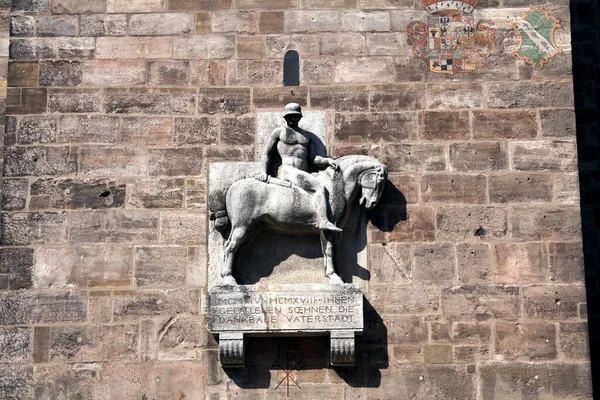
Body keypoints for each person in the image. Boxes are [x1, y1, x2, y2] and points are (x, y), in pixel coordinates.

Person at [256, 103, 342, 232]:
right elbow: (267, 154)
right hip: (288, 171)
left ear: (300, 117)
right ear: (285, 117)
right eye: (290, 116)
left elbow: (313, 158)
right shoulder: (279, 132)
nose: (292, 119)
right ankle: (323, 221)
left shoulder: (306, 136)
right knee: (318, 186)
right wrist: (263, 172)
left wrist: (327, 161)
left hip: (302, 172)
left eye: (295, 116)